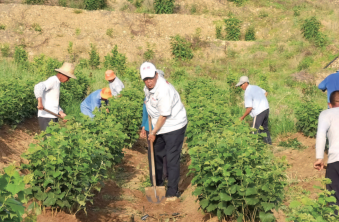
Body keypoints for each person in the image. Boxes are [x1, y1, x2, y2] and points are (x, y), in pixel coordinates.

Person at [140, 62, 187, 201]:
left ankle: (172, 192)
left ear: (156, 74)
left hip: (174, 125)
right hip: (158, 125)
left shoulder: (163, 89)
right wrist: (147, 127)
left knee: (171, 157)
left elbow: (164, 116)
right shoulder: (147, 88)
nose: (148, 82)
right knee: (153, 154)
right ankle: (157, 186)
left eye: (151, 78)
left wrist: (153, 132)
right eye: (145, 79)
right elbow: (148, 106)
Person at [314, 90, 339, 210]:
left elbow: (321, 134)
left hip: (336, 159)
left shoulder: (326, 113)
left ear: (330, 104)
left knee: (334, 199)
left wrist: (320, 158)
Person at [34, 62, 77, 131]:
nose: (68, 80)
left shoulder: (57, 83)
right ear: (62, 74)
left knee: (52, 139)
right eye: (68, 77)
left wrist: (61, 112)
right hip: (46, 117)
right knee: (48, 139)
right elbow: (38, 87)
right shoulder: (53, 80)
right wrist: (40, 102)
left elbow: (53, 102)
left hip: (52, 116)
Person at [236, 76, 272, 144]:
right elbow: (266, 92)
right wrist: (261, 101)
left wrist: (242, 117)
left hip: (258, 111)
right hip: (266, 108)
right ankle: (269, 144)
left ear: (246, 83)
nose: (241, 87)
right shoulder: (255, 87)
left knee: (254, 130)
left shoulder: (247, 92)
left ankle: (254, 147)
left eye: (241, 85)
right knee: (265, 128)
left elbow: (249, 108)